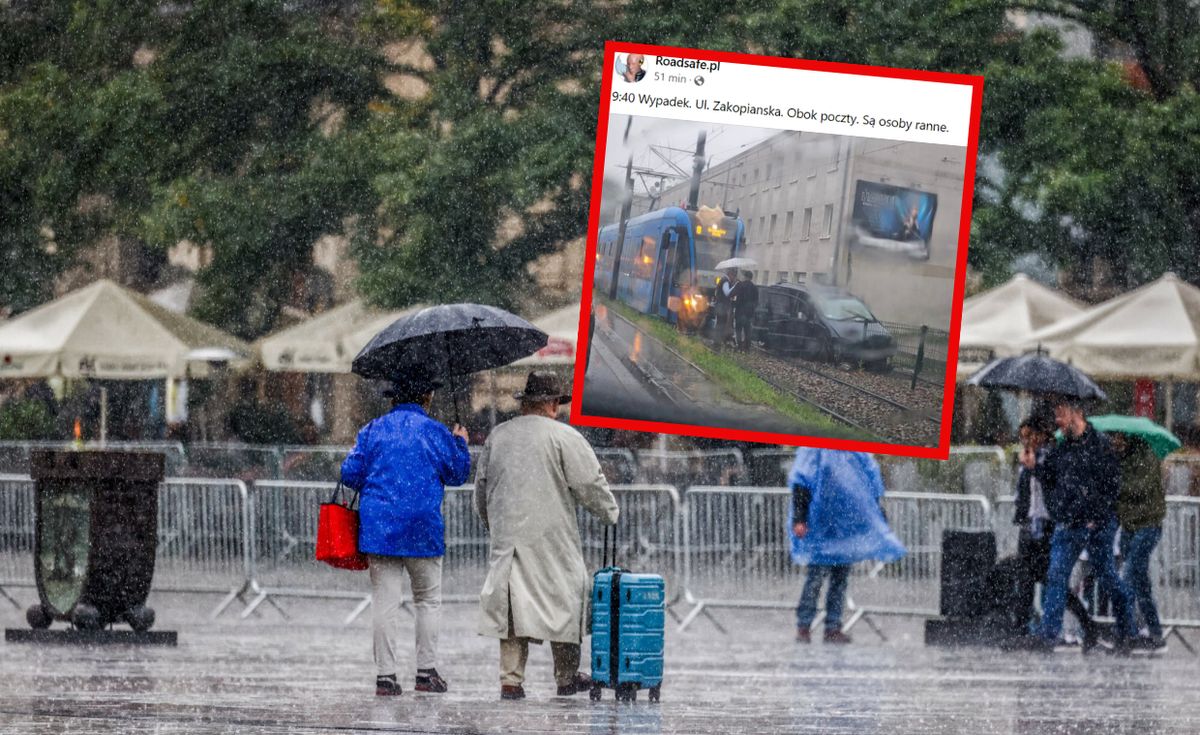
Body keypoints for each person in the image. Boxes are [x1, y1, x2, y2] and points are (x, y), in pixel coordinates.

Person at [474, 371, 619, 700]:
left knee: (513, 608)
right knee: (565, 598)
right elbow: (590, 483)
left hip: (510, 539)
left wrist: (493, 524)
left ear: (526, 403)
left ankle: (511, 680)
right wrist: (609, 512)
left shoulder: (499, 436)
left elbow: (481, 492)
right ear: (553, 404)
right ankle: (566, 676)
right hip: (553, 538)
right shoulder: (564, 437)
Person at [341, 376, 471, 696]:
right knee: (427, 600)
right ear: (426, 395)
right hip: (422, 528)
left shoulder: (373, 430)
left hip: (380, 529)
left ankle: (386, 676)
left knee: (385, 602)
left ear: (392, 399)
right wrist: (460, 443)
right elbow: (457, 474)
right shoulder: (436, 432)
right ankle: (426, 673)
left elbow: (349, 474)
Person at [1027, 396, 1138, 653]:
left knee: (1106, 576)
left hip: (1098, 524)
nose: (1057, 420)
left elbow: (1112, 486)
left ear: (1076, 414)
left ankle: (1127, 629)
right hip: (1070, 523)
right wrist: (1035, 468)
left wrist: (1096, 516)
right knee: (1056, 576)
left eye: (1060, 414)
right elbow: (1050, 478)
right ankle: (1048, 636)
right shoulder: (1062, 447)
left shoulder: (1100, 445)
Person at [789, 448, 905, 644]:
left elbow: (869, 485)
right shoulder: (817, 450)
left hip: (843, 528)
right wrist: (800, 517)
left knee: (839, 579)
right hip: (822, 527)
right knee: (816, 578)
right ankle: (805, 625)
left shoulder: (854, 451)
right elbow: (803, 482)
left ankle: (832, 627)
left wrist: (877, 515)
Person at [1012, 412, 1096, 643]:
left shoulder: (1053, 457)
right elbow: (1024, 493)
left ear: (1041, 435)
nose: (1026, 442)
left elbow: (1052, 485)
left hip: (1049, 527)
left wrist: (1033, 468)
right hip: (1030, 527)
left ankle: (1086, 625)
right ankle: (1020, 630)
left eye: (1030, 436)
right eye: (1023, 437)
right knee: (1026, 581)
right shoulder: (1028, 458)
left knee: (1053, 582)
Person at [1113, 431, 1167, 651]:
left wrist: (1117, 482)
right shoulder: (1120, 460)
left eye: (1118, 438)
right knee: (1141, 583)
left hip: (1148, 525)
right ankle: (1155, 633)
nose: (1115, 443)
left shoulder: (1146, 457)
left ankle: (1124, 632)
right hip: (1129, 526)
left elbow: (1139, 487)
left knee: (1128, 577)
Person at [730, 270, 759, 352]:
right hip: (749, 313)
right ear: (751, 278)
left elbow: (731, 294)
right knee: (747, 330)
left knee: (738, 329)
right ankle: (747, 348)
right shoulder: (754, 287)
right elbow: (756, 301)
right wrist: (752, 308)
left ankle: (739, 347)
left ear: (745, 277)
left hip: (740, 311)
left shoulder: (740, 285)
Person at [711, 268, 736, 352]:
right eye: (734, 275)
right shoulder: (725, 281)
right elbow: (727, 293)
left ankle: (716, 342)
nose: (734, 278)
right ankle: (717, 343)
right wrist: (735, 286)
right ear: (730, 274)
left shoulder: (723, 280)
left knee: (719, 324)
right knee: (721, 325)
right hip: (722, 307)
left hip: (720, 306)